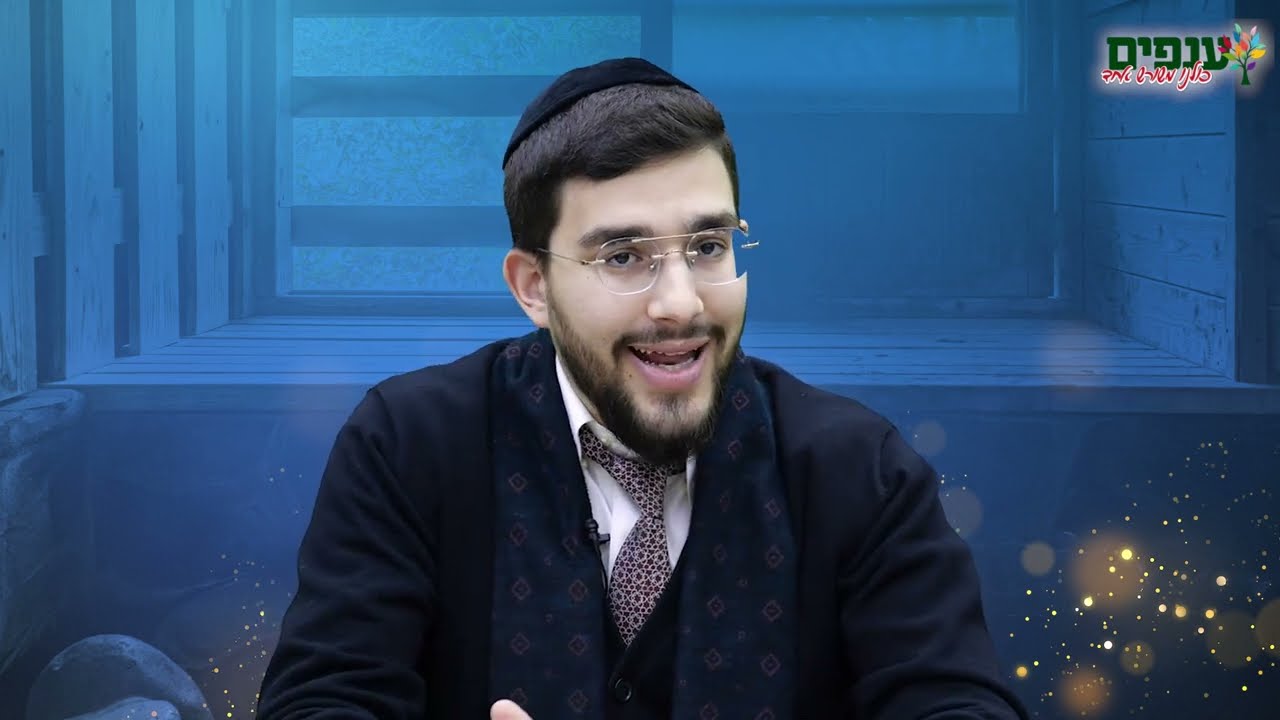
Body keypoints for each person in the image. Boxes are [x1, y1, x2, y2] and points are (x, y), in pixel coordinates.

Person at [255, 57, 1029, 720]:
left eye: (709, 245)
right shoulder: (408, 444)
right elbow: (321, 698)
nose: (681, 304)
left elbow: (956, 702)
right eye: (623, 257)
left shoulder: (859, 470)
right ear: (532, 286)